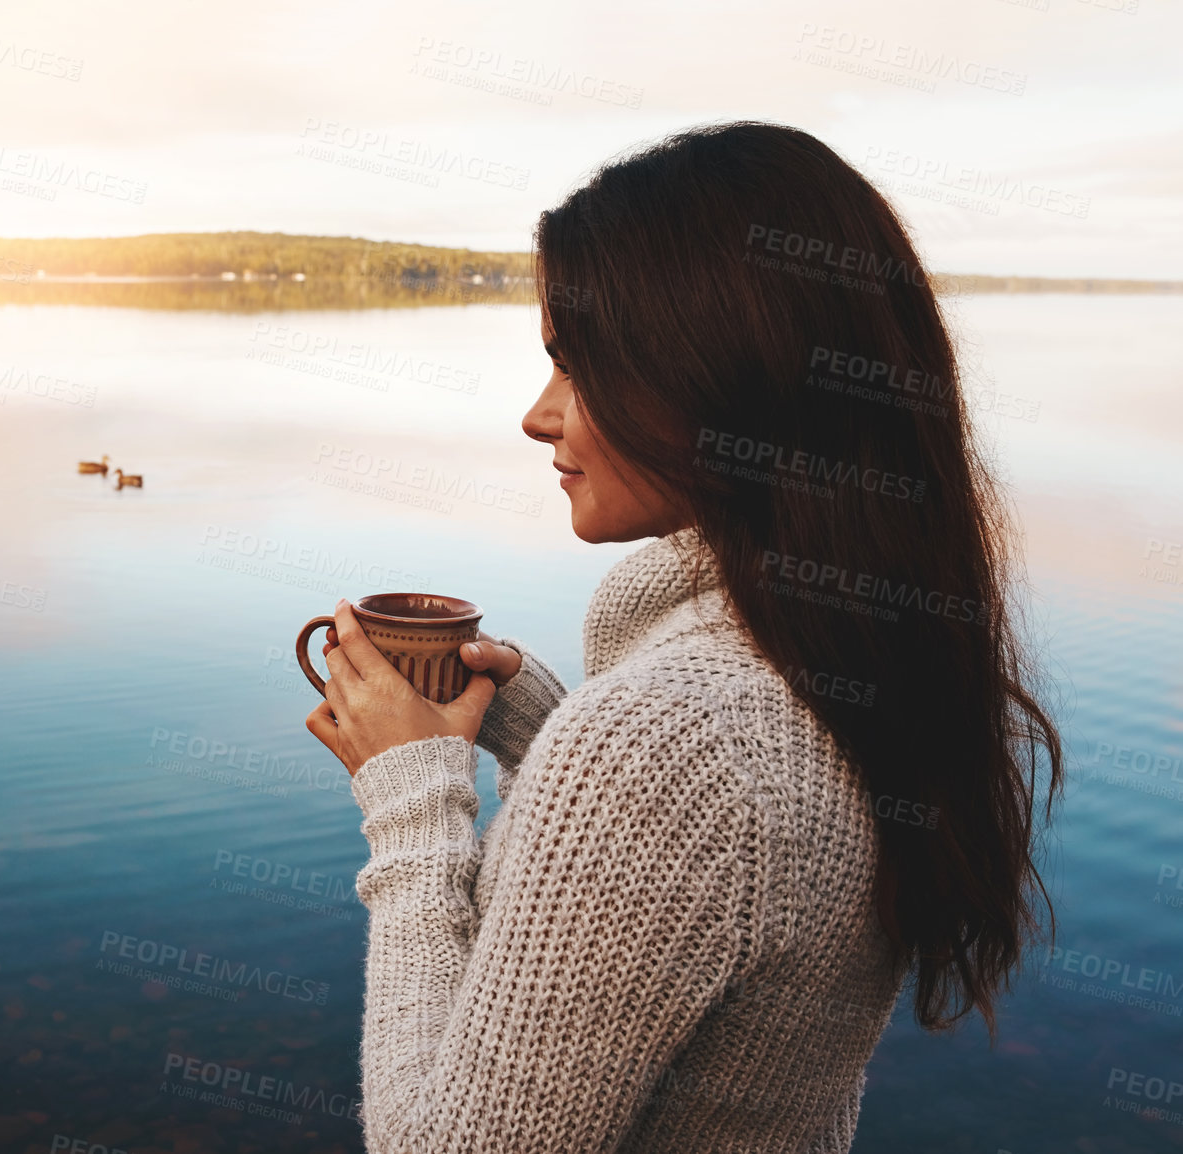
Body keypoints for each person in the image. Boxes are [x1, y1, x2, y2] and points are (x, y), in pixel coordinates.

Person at [303, 122, 1062, 1153]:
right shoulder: (854, 651)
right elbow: (729, 869)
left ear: (720, 376)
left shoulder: (666, 742)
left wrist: (411, 796)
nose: (538, 416)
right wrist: (540, 726)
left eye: (579, 368)